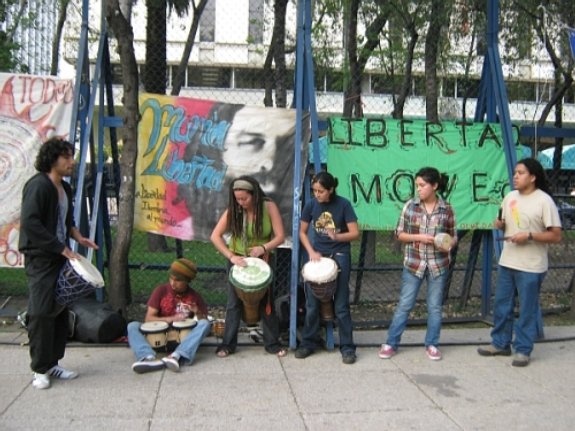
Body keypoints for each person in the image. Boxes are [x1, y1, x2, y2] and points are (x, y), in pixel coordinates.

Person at [18, 137, 99, 390]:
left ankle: (53, 362)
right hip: (41, 258)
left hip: (59, 257)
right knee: (41, 312)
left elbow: (64, 222)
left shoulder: (65, 188)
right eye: (66, 157)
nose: (71, 162)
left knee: (59, 311)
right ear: (53, 159)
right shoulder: (39, 186)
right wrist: (61, 248)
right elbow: (31, 224)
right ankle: (39, 369)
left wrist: (77, 236)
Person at [477, 158, 561, 367]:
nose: (515, 176)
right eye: (515, 172)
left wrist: (530, 236)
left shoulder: (544, 201)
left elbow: (556, 236)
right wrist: (500, 224)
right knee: (501, 305)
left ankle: (523, 349)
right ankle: (500, 343)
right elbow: (504, 223)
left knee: (526, 308)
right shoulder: (510, 197)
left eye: (520, 173)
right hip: (508, 261)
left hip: (531, 265)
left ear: (532, 177)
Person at [378, 167, 457, 361]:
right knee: (405, 304)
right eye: (417, 185)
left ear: (435, 186)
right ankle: (391, 343)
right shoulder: (410, 206)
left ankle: (432, 344)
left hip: (438, 265)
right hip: (414, 264)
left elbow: (453, 236)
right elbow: (399, 234)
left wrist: (446, 243)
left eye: (422, 185)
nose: (419, 189)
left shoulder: (446, 208)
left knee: (435, 307)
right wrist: (421, 237)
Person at [210, 175, 287, 358]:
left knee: (266, 302)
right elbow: (215, 236)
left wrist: (262, 248)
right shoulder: (234, 210)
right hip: (238, 261)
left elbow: (280, 237)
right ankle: (228, 344)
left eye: (244, 198)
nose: (241, 202)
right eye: (237, 199)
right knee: (233, 303)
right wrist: (231, 256)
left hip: (264, 260)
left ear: (255, 195)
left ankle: (272, 344)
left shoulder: (268, 207)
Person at [295, 171, 360, 364]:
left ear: (331, 190)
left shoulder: (343, 205)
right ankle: (308, 343)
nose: (317, 194)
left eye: (321, 191)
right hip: (318, 255)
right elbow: (302, 232)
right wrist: (311, 252)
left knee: (341, 306)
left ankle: (347, 347)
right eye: (315, 190)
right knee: (312, 305)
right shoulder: (311, 205)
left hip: (340, 255)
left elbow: (355, 233)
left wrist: (337, 237)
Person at [128, 258, 211, 373]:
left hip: (181, 342)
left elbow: (205, 325)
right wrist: (171, 319)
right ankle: (147, 357)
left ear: (187, 281)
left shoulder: (194, 296)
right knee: (132, 326)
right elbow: (148, 319)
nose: (173, 283)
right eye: (171, 278)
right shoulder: (161, 291)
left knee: (205, 323)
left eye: (177, 280)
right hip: (157, 339)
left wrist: (197, 311)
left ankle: (177, 356)